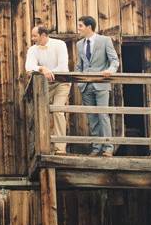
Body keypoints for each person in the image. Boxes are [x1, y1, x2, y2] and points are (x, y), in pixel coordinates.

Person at [75, 16, 119, 157]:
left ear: (89, 27)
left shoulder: (105, 41)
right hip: (85, 86)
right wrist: (79, 81)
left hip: (101, 84)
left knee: (103, 115)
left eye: (80, 26)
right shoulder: (79, 44)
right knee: (92, 118)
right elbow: (78, 65)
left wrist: (110, 71)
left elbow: (114, 60)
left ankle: (108, 147)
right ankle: (96, 147)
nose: (78, 28)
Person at [25, 26, 71, 155]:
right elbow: (29, 67)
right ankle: (41, 148)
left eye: (35, 36)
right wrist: (42, 69)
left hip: (61, 83)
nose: (32, 38)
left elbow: (62, 66)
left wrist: (49, 72)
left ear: (44, 35)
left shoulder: (59, 44)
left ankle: (60, 148)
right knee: (40, 113)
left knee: (58, 110)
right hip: (44, 84)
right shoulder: (32, 50)